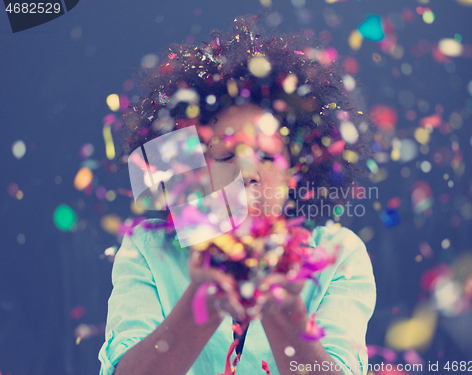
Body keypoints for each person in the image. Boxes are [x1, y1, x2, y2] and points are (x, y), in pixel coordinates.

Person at [98, 13, 376, 375]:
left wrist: (287, 317)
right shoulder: (148, 248)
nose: (247, 174)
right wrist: (202, 304)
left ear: (298, 168)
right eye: (226, 155)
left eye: (266, 155)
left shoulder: (339, 254)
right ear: (194, 170)